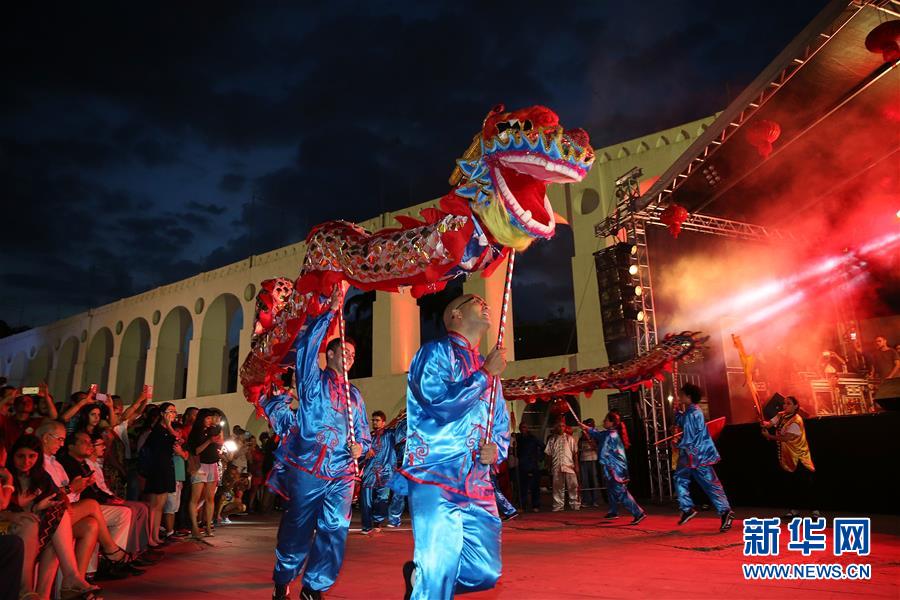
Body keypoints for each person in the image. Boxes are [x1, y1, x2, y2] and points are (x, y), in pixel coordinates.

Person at [398, 293, 510, 600]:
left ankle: (422, 580)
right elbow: (439, 404)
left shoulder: (488, 367)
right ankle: (429, 583)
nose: (485, 305)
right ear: (455, 315)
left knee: (486, 572)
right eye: (475, 301)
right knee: (438, 570)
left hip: (477, 481)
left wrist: (496, 450)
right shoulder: (434, 353)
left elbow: (500, 422)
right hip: (436, 474)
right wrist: (484, 376)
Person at [261, 286, 370, 600]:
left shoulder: (355, 396)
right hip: (308, 467)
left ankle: (314, 587)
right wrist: (329, 313)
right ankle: (284, 577)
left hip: (342, 471)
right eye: (344, 352)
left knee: (335, 528)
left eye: (353, 355)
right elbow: (307, 347)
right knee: (297, 528)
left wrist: (361, 447)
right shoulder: (313, 382)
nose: (349, 358)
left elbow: (363, 433)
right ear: (330, 355)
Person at [6, 434, 101, 599]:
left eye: (32, 456)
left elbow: (59, 497)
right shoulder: (7, 476)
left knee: (84, 522)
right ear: (12, 455)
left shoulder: (40, 475)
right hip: (18, 527)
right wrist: (37, 507)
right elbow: (10, 506)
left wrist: (56, 502)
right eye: (21, 456)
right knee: (61, 519)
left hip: (38, 524)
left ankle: (67, 582)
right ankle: (69, 580)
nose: (26, 461)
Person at [673, 383, 735, 532]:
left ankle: (722, 511)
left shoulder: (692, 413)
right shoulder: (693, 411)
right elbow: (682, 422)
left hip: (695, 455)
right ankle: (689, 508)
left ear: (688, 396)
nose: (679, 397)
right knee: (693, 480)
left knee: (704, 482)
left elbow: (689, 437)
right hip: (696, 454)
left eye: (681, 394)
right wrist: (676, 411)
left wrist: (678, 443)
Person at [760, 396, 818, 519]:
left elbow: (787, 438)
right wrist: (763, 423)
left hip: (800, 457)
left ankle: (815, 511)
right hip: (788, 457)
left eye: (788, 403)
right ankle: (794, 510)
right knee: (791, 484)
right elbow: (769, 424)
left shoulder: (797, 421)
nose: (784, 406)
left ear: (796, 406)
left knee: (806, 485)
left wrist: (769, 436)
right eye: (784, 403)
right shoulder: (781, 415)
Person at [583, 413, 645, 524]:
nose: (604, 421)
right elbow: (598, 434)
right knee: (611, 488)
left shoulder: (609, 436)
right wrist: (586, 428)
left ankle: (638, 513)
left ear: (611, 423)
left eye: (606, 420)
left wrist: (600, 456)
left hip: (614, 468)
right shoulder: (610, 433)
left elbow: (602, 451)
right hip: (613, 466)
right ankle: (613, 511)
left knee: (620, 491)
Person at [140, 402, 178, 547]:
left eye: (174, 412)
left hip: (166, 468)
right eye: (170, 411)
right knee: (154, 506)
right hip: (157, 470)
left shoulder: (167, 429)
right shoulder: (157, 431)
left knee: (160, 506)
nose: (173, 414)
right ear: (162, 414)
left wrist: (169, 426)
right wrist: (168, 425)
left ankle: (155, 536)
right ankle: (149, 536)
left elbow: (177, 441)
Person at [359, 410, 403, 534]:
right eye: (373, 420)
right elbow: (359, 454)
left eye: (377, 420)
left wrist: (401, 417)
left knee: (382, 500)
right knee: (366, 500)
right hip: (369, 473)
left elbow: (402, 431)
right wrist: (365, 454)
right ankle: (367, 526)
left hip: (385, 473)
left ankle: (377, 522)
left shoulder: (390, 434)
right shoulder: (368, 437)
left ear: (383, 422)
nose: (374, 422)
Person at [186, 408, 224, 540]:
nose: (210, 420)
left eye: (211, 418)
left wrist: (217, 440)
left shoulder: (213, 430)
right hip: (199, 466)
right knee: (195, 498)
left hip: (212, 464)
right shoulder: (195, 432)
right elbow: (196, 451)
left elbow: (220, 443)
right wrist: (209, 441)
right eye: (207, 418)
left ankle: (208, 526)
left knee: (210, 498)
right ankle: (194, 527)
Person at [545, 421, 579, 512]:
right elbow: (549, 454)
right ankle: (558, 505)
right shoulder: (552, 440)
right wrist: (548, 465)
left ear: (565, 427)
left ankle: (575, 504)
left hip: (569, 466)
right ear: (556, 427)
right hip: (556, 466)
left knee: (573, 485)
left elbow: (575, 453)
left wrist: (576, 465)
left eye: (563, 426)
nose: (561, 428)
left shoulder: (570, 438)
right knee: (557, 487)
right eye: (559, 426)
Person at [515, 423, 542, 512]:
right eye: (522, 427)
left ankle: (536, 505)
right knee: (522, 487)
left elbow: (543, 446)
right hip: (522, 465)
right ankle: (522, 505)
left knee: (534, 486)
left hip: (533, 465)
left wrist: (539, 458)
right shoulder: (518, 439)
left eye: (525, 427)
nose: (523, 429)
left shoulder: (533, 438)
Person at [577, 419, 600, 508]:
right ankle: (587, 500)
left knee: (594, 480)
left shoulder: (594, 435)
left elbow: (596, 447)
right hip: (583, 460)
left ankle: (595, 500)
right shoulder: (581, 437)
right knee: (585, 481)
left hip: (593, 459)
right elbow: (578, 449)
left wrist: (590, 439)